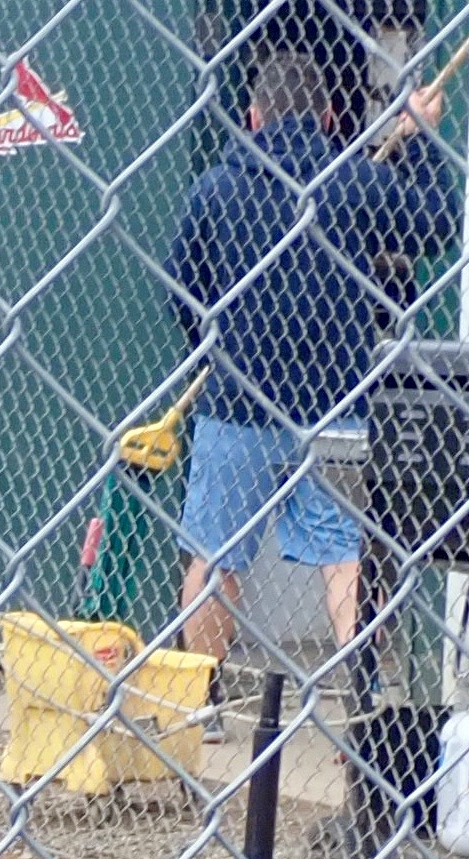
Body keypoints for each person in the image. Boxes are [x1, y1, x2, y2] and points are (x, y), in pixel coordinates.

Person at [167, 48, 452, 711]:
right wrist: (417, 138)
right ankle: (362, 700)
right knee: (343, 555)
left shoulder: (216, 189)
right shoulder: (355, 182)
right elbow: (437, 221)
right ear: (325, 117)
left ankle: (199, 706)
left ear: (253, 115)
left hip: (236, 406)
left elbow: (181, 290)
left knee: (214, 555)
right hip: (336, 407)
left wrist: (218, 345)